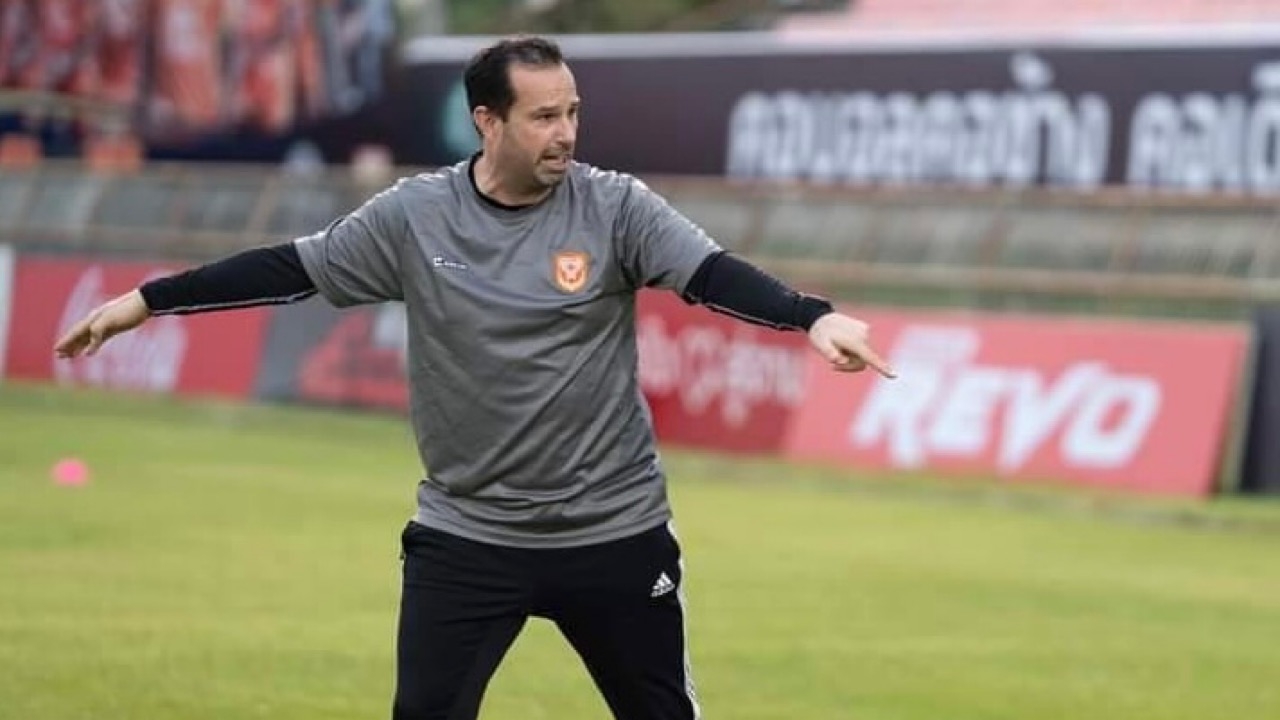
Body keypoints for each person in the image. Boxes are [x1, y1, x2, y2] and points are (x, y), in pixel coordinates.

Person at [55, 35, 894, 720]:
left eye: (572, 112)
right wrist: (149, 300)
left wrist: (812, 316)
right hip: (469, 535)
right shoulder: (416, 216)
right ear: (487, 121)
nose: (566, 133)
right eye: (543, 116)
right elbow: (292, 267)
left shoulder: (614, 207)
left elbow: (710, 273)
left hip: (612, 531)